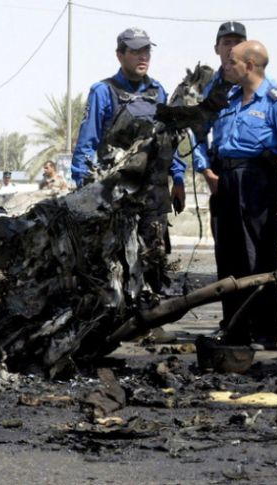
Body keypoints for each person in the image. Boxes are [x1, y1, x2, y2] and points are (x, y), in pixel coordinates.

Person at [71, 27, 184, 343]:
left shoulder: (158, 92)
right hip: (116, 192)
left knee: (153, 253)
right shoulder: (103, 92)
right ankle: (115, 319)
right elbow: (87, 141)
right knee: (114, 257)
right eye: (135, 51)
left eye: (147, 50)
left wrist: (178, 178)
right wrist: (81, 186)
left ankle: (150, 319)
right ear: (120, 55)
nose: (143, 56)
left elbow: (169, 139)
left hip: (153, 192)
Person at [211, 40, 277, 351]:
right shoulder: (231, 99)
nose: (226, 65)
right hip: (227, 179)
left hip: (257, 180)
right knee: (228, 256)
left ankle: (264, 331)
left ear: (249, 65)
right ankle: (234, 327)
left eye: (232, 61)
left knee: (258, 257)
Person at [181, 21, 248, 242]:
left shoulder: (262, 85)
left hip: (255, 174)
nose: (232, 48)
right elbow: (198, 132)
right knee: (226, 248)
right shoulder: (210, 90)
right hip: (221, 174)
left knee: (255, 253)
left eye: (238, 43)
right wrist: (206, 171)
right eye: (227, 43)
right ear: (217, 49)